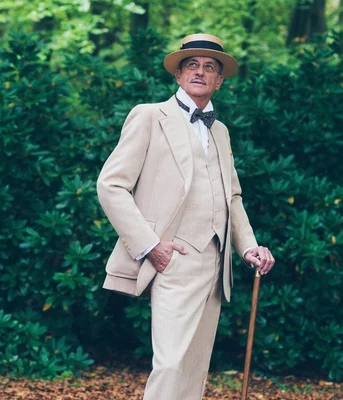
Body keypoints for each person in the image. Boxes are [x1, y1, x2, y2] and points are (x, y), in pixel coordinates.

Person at [97, 33, 275, 400]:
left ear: (219, 81)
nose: (200, 71)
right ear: (178, 75)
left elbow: (232, 197)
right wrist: (150, 246)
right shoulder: (149, 116)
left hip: (215, 265)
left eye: (210, 67)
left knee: (194, 371)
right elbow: (111, 185)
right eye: (192, 64)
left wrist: (250, 248)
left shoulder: (221, 131)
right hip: (171, 260)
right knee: (171, 364)